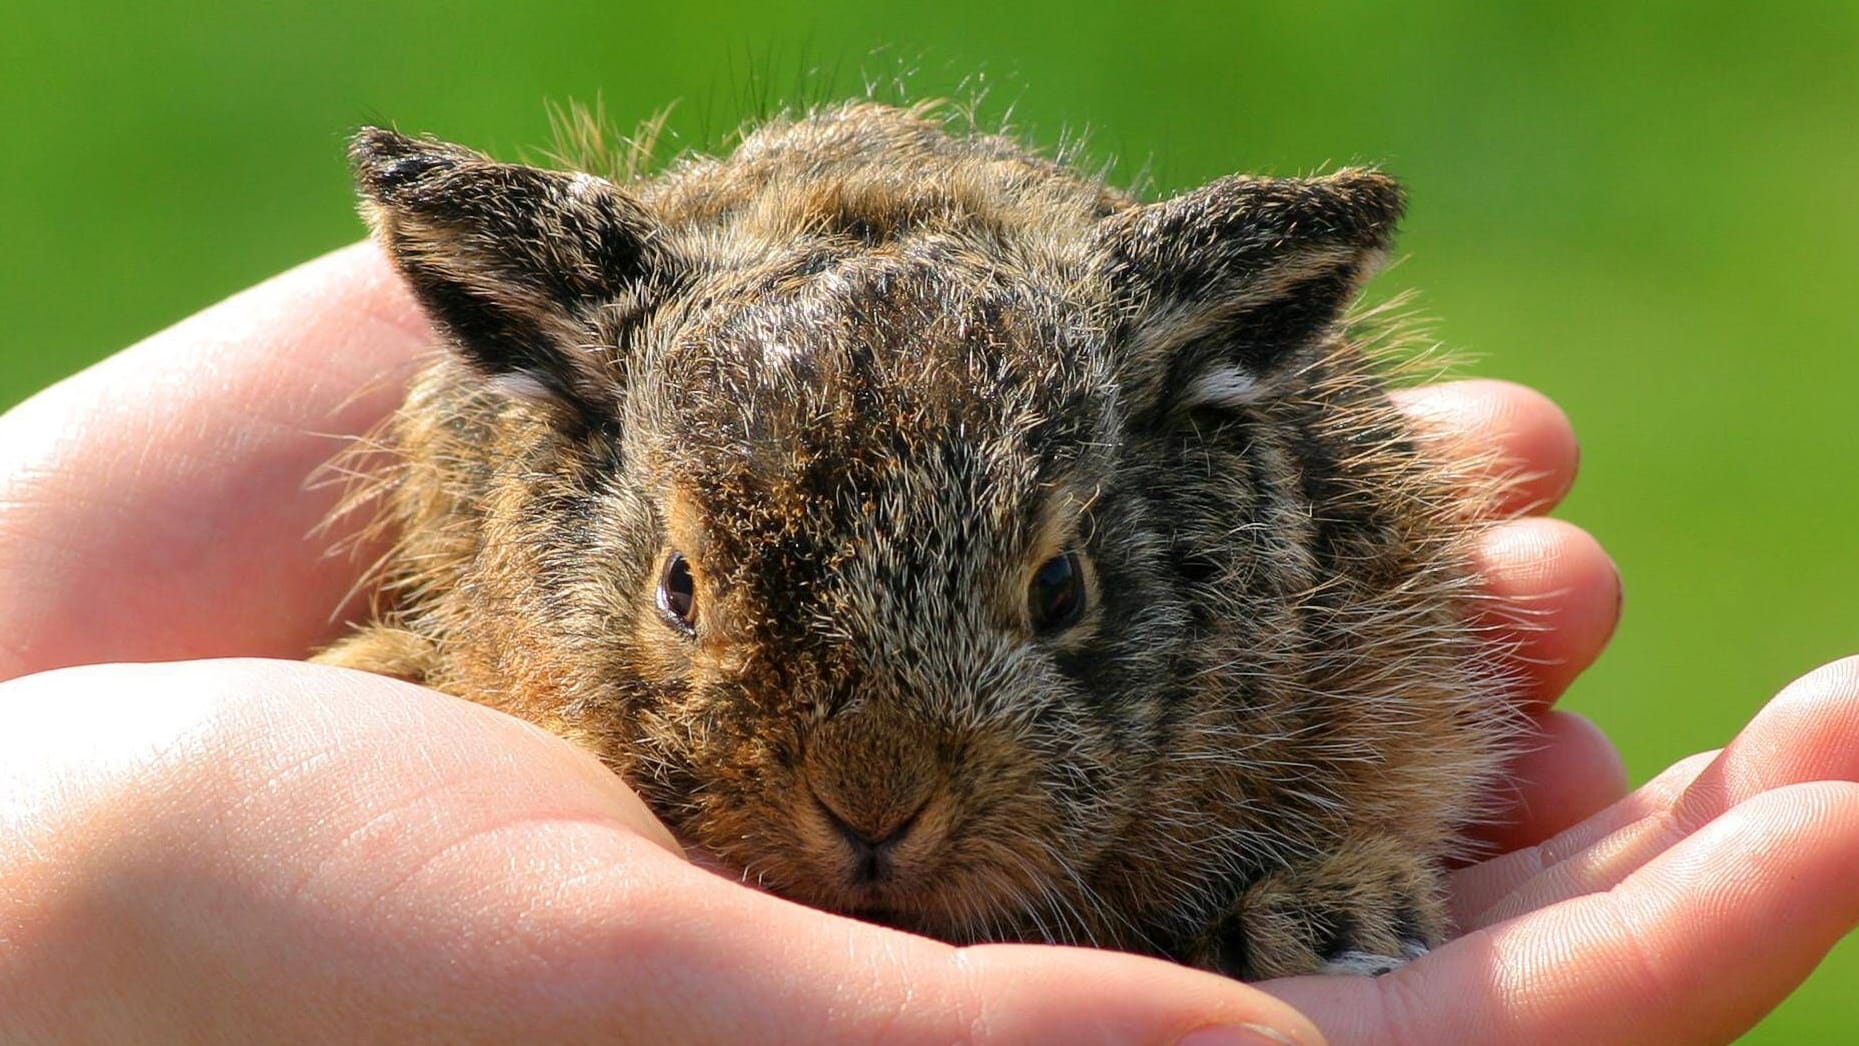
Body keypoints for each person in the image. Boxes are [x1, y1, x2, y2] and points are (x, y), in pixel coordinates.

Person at [1, 244, 1853, 1045]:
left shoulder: (1253, 524)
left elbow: (1414, 636)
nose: (872, 793)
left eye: (1048, 600)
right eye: (692, 601)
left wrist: (1335, 845)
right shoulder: (541, 491)